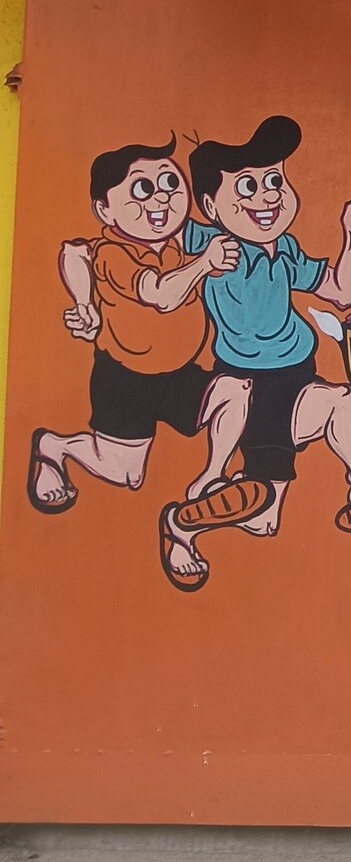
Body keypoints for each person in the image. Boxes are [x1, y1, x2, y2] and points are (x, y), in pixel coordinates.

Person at [167, 116, 351, 578]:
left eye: (274, 181)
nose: (268, 197)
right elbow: (160, 224)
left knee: (337, 405)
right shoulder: (209, 239)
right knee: (249, 489)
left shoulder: (285, 249)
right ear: (210, 205)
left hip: (296, 377)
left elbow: (342, 291)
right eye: (247, 186)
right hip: (241, 382)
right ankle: (186, 521)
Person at [29, 138, 268, 591]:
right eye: (142, 189)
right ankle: (54, 447)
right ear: (105, 211)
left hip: (179, 376)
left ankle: (208, 484)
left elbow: (74, 252)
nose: (162, 199)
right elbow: (158, 294)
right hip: (125, 381)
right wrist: (203, 265)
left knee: (235, 391)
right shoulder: (114, 252)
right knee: (125, 474)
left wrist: (85, 304)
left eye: (170, 184)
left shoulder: (183, 239)